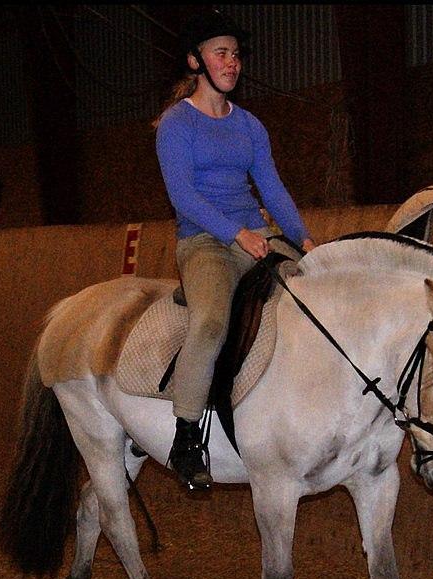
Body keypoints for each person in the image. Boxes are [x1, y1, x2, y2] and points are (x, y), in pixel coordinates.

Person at [154, 9, 315, 491]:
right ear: (195, 61)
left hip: (256, 237)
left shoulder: (250, 126)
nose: (232, 62)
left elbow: (273, 189)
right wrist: (235, 233)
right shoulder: (176, 125)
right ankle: (186, 437)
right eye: (220, 53)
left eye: (236, 54)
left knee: (314, 300)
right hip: (205, 240)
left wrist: (303, 238)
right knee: (209, 323)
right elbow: (183, 196)